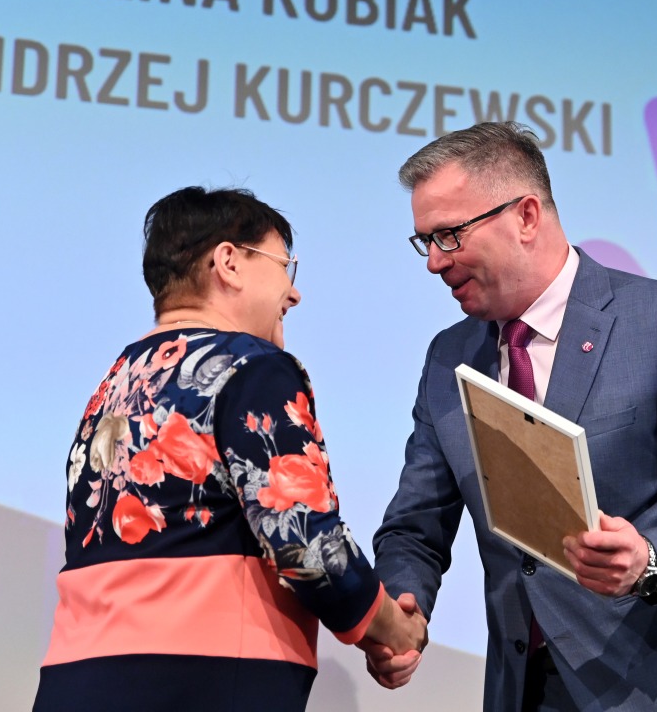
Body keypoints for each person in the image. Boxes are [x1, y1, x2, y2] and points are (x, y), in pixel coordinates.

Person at [368, 122, 657, 711]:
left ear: (526, 216)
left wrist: (651, 560)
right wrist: (401, 608)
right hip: (526, 691)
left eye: (450, 236)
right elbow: (415, 526)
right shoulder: (448, 357)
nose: (435, 262)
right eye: (425, 241)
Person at [34, 187, 426, 711]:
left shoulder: (116, 382)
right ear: (229, 263)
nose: (294, 294)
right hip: (198, 683)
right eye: (285, 267)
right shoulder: (252, 365)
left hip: (76, 680)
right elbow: (304, 540)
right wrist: (393, 627)